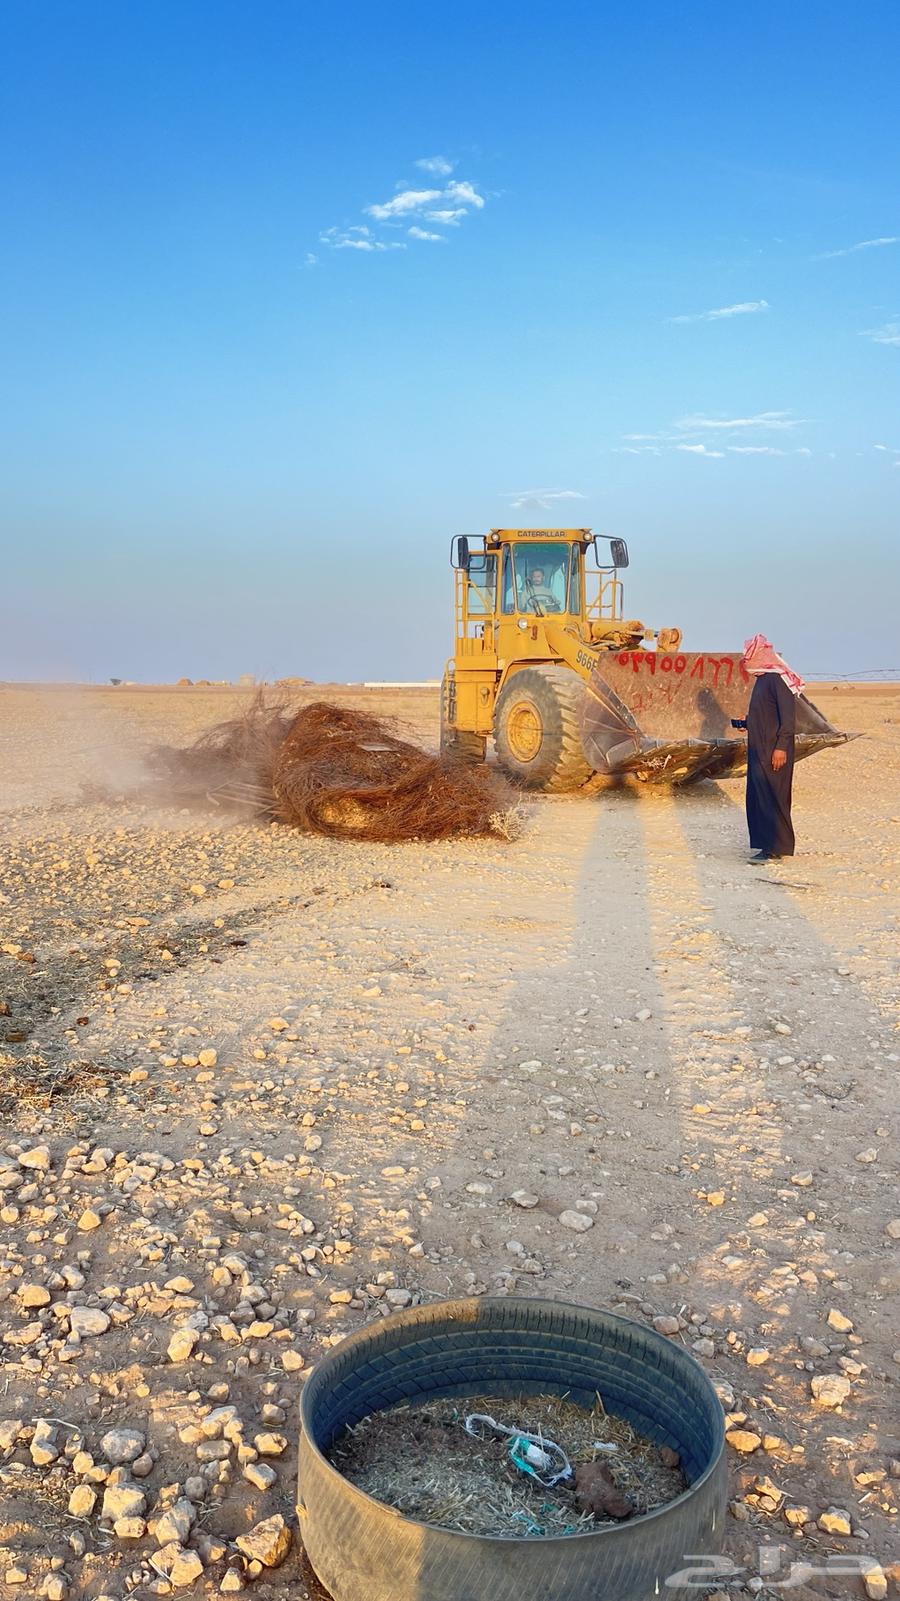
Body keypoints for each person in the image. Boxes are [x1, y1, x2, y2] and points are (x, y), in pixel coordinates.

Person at [737, 633, 804, 861]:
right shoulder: (763, 679)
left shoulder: (777, 680)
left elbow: (788, 719)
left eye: (750, 657)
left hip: (774, 751)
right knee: (760, 797)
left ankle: (776, 848)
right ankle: (766, 845)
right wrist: (747, 722)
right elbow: (766, 714)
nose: (747, 662)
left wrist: (781, 747)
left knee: (773, 796)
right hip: (760, 749)